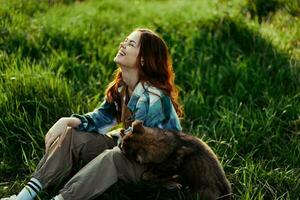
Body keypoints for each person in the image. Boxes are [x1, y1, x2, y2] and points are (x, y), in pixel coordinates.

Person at [2, 28, 184, 200]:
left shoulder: (152, 98)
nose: (122, 44)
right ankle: (25, 195)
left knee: (112, 157)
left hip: (155, 166)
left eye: (130, 44)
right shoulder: (122, 87)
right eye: (125, 41)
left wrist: (117, 143)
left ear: (143, 59)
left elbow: (147, 147)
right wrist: (66, 121)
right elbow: (101, 119)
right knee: (73, 136)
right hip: (130, 146)